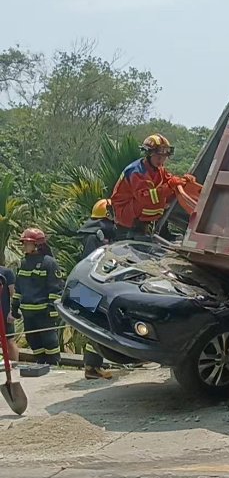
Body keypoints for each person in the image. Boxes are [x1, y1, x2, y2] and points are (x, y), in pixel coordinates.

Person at [111, 134, 184, 241]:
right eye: (158, 157)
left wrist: (183, 181)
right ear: (149, 154)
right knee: (158, 199)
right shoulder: (137, 172)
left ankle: (162, 230)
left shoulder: (159, 169)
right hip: (125, 212)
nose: (161, 160)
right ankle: (137, 230)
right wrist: (169, 186)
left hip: (135, 209)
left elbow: (169, 179)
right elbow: (145, 197)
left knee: (170, 195)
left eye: (164, 157)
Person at [11, 228, 62, 366]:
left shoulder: (49, 263)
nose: (24, 246)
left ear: (37, 245)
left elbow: (55, 289)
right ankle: (41, 363)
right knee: (33, 340)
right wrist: (14, 306)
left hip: (43, 312)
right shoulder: (23, 263)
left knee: (49, 340)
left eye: (27, 243)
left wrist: (52, 310)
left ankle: (53, 365)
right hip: (28, 313)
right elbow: (18, 288)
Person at [77, 198, 115, 380]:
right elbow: (95, 263)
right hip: (91, 288)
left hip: (85, 287)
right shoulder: (95, 237)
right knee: (96, 325)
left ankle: (92, 366)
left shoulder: (92, 234)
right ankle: (93, 367)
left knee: (95, 325)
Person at [0, 265, 19, 364]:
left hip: (4, 313)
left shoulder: (6, 272)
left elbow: (13, 294)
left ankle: (14, 365)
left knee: (9, 340)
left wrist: (12, 312)